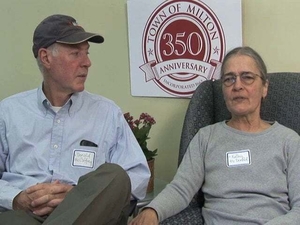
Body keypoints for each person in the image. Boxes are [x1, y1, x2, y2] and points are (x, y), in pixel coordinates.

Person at [0, 14, 150, 224]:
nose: (87, 63)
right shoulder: (8, 112)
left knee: (115, 175)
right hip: (23, 214)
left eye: (86, 53)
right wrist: (15, 198)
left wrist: (80, 197)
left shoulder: (106, 112)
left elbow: (138, 176)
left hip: (89, 216)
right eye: (75, 54)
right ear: (45, 58)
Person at [129, 46, 300, 225]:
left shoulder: (288, 141)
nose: (238, 86)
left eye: (247, 77)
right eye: (229, 79)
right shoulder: (206, 138)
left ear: (264, 87)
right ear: (223, 90)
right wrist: (152, 210)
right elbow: (181, 189)